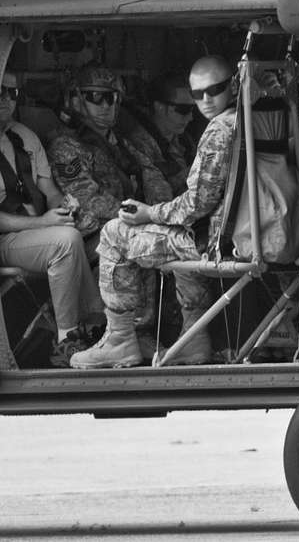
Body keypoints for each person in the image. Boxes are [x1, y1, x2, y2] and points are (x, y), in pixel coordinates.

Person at [68, 55, 243, 369]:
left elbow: (195, 204)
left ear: (232, 86)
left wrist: (151, 214)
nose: (203, 101)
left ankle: (120, 341)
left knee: (113, 234)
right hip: (233, 233)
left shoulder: (219, 130)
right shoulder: (247, 121)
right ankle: (195, 339)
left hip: (210, 238)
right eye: (196, 94)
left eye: (213, 90)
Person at [0, 72, 104, 366]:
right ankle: (68, 339)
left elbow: (48, 190)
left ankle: (97, 327)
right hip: (6, 239)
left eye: (12, 93)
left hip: (36, 232)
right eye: (0, 92)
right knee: (65, 241)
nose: (7, 100)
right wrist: (44, 223)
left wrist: (63, 207)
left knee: (98, 237)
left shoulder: (22, 136)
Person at [47, 64, 174, 239]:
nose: (106, 105)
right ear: (76, 101)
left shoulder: (119, 142)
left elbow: (150, 172)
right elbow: (87, 197)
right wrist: (138, 217)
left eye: (111, 97)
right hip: (100, 233)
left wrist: (159, 211)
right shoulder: (66, 147)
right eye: (95, 97)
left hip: (132, 225)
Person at [121, 73, 197, 196]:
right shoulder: (139, 145)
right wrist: (191, 173)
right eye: (183, 110)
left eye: (193, 109)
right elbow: (154, 196)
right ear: (159, 107)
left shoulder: (183, 139)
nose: (190, 117)